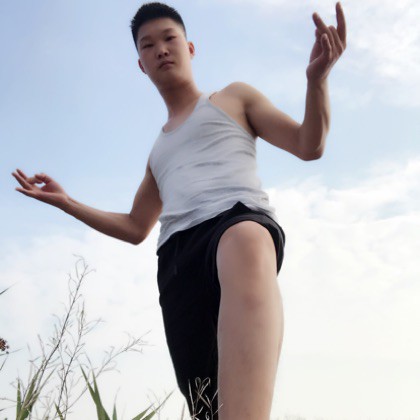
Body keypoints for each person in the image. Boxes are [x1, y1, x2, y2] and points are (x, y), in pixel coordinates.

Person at [12, 2, 346, 418]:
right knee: (206, 406)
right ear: (141, 65)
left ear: (190, 47)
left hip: (235, 221)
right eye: (148, 45)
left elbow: (308, 145)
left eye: (169, 38)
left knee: (246, 239)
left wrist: (317, 81)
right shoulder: (159, 152)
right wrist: (67, 203)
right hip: (176, 262)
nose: (161, 49)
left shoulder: (234, 98)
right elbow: (135, 226)